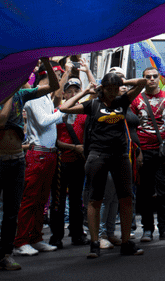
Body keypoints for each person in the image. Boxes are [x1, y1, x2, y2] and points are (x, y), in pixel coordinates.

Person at [0, 57, 59, 276]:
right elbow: (0, 121)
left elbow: (54, 86)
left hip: (16, 159)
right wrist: (11, 92)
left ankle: (5, 255)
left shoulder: (22, 95)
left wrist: (47, 64)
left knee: (12, 211)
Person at [60, 70, 147, 257]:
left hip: (120, 156)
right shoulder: (93, 104)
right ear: (102, 88)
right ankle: (94, 243)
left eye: (115, 87)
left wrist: (123, 80)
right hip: (98, 155)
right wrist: (85, 92)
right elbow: (64, 108)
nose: (112, 91)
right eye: (108, 87)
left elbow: (142, 83)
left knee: (125, 198)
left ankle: (126, 243)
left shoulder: (122, 101)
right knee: (95, 199)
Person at [14, 61, 70, 256]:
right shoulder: (35, 96)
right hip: (38, 154)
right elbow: (44, 121)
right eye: (59, 73)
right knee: (30, 199)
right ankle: (21, 240)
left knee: (42, 200)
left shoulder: (45, 96)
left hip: (49, 154)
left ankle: (35, 238)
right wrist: (62, 112)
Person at [131, 64, 165, 242]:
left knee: (164, 191)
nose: (151, 79)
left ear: (159, 78)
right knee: (144, 192)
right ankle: (147, 229)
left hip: (164, 151)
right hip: (143, 151)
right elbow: (130, 127)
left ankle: (164, 229)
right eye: (148, 76)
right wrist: (136, 151)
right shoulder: (135, 100)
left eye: (154, 76)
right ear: (143, 79)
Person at [51, 74, 88, 247]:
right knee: (58, 200)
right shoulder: (57, 113)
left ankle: (77, 233)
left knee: (76, 199)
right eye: (69, 91)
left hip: (79, 162)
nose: (72, 94)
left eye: (76, 91)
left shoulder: (84, 113)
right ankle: (56, 236)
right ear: (64, 94)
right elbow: (53, 141)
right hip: (61, 161)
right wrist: (74, 148)